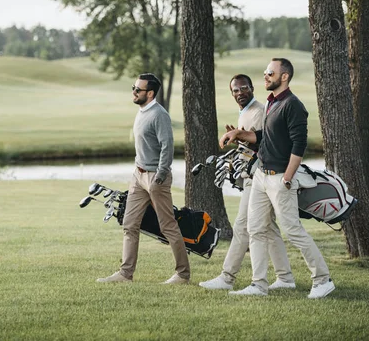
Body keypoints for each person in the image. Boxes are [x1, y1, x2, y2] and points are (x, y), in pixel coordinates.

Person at [219, 58, 335, 299]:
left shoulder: (293, 105)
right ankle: (258, 284)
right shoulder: (272, 102)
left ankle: (323, 280)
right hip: (261, 175)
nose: (265, 76)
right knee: (256, 230)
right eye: (265, 72)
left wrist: (288, 178)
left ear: (284, 77)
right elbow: (266, 136)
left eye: (270, 73)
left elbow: (299, 144)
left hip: (281, 178)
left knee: (292, 231)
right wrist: (239, 133)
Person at [199, 74, 295, 291]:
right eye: (235, 90)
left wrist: (242, 136)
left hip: (261, 178)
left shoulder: (260, 111)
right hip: (253, 178)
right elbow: (251, 145)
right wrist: (238, 138)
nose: (240, 93)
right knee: (268, 228)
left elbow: (268, 142)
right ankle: (286, 279)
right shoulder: (246, 111)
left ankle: (227, 278)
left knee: (243, 225)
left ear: (252, 88)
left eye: (244, 88)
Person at [97, 73, 190, 285]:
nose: (134, 92)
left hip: (155, 178)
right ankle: (125, 274)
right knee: (130, 224)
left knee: (167, 226)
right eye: (133, 87)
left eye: (138, 89)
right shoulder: (142, 112)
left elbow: (167, 146)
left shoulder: (159, 115)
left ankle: (183, 274)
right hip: (138, 177)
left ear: (149, 93)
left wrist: (160, 175)